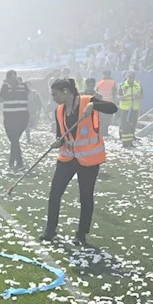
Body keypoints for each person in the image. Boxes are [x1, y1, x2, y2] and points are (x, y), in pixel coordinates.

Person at [39, 78, 116, 246]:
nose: (53, 98)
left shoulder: (88, 100)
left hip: (88, 159)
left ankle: (81, 234)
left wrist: (94, 106)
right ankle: (50, 230)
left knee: (85, 197)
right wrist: (58, 141)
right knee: (55, 193)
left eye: (55, 94)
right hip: (67, 157)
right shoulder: (59, 110)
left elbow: (112, 108)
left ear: (66, 91)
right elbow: (62, 134)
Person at [0, 70, 30, 170]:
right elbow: (30, 96)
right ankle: (12, 162)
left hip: (10, 117)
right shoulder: (24, 85)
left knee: (14, 139)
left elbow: (0, 99)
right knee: (15, 139)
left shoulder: (5, 86)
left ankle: (19, 163)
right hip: (23, 117)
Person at [115, 70, 142, 148]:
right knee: (125, 127)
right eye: (129, 77)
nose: (131, 79)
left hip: (134, 109)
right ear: (126, 77)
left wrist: (137, 96)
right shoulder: (122, 86)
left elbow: (141, 96)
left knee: (132, 125)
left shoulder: (138, 85)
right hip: (125, 109)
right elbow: (118, 98)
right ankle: (125, 143)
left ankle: (130, 143)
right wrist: (126, 96)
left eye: (132, 77)